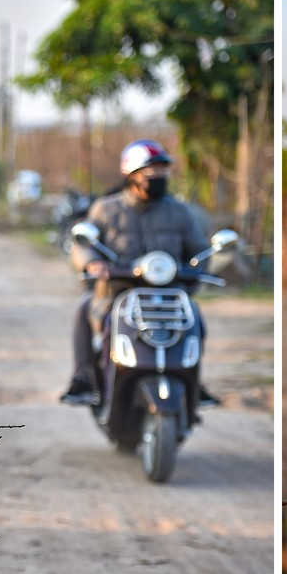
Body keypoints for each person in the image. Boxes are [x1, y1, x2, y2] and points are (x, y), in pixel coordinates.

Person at [61, 140, 213, 406]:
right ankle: (83, 378)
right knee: (83, 308)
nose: (158, 176)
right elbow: (83, 244)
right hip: (116, 292)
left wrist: (197, 269)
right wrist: (91, 263)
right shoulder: (105, 209)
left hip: (168, 293)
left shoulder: (179, 212)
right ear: (131, 174)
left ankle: (192, 378)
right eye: (150, 170)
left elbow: (199, 250)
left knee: (195, 318)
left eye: (162, 170)